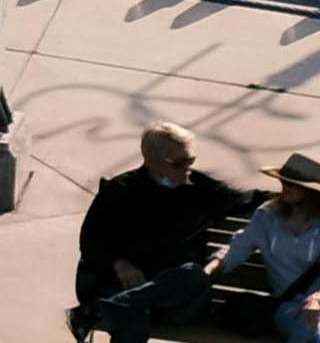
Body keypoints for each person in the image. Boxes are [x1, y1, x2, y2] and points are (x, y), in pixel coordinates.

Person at [76, 124, 246, 340]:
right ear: (152, 161)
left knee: (193, 274)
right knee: (134, 317)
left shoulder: (200, 188)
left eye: (190, 160)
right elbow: (90, 241)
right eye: (180, 162)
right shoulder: (120, 191)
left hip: (178, 301)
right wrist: (119, 264)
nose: (187, 168)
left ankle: (121, 304)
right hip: (125, 285)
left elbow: (246, 199)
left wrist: (292, 196)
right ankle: (128, 302)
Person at [209, 154, 320, 343]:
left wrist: (318, 297)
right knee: (311, 332)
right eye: (283, 181)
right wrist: (209, 269)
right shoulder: (267, 217)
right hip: (290, 307)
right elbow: (238, 247)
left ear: (311, 191)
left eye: (292, 184)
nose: (284, 188)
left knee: (318, 331)